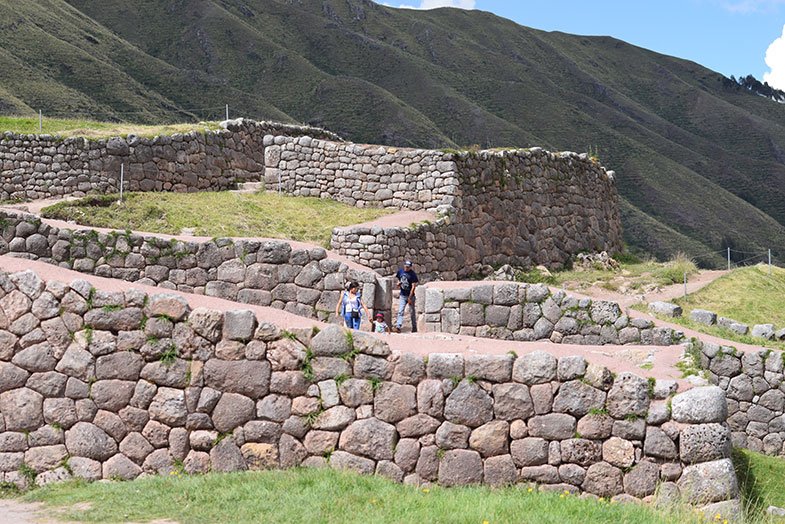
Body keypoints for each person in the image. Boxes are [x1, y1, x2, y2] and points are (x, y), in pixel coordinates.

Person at [394, 259, 419, 333]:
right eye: (405, 266)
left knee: (412, 312)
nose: (406, 268)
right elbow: (398, 279)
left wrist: (410, 298)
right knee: (400, 311)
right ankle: (398, 326)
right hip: (402, 295)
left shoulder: (413, 275)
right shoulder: (400, 271)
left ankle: (414, 327)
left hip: (410, 296)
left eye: (408, 267)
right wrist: (398, 283)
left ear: (410, 267)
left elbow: (413, 287)